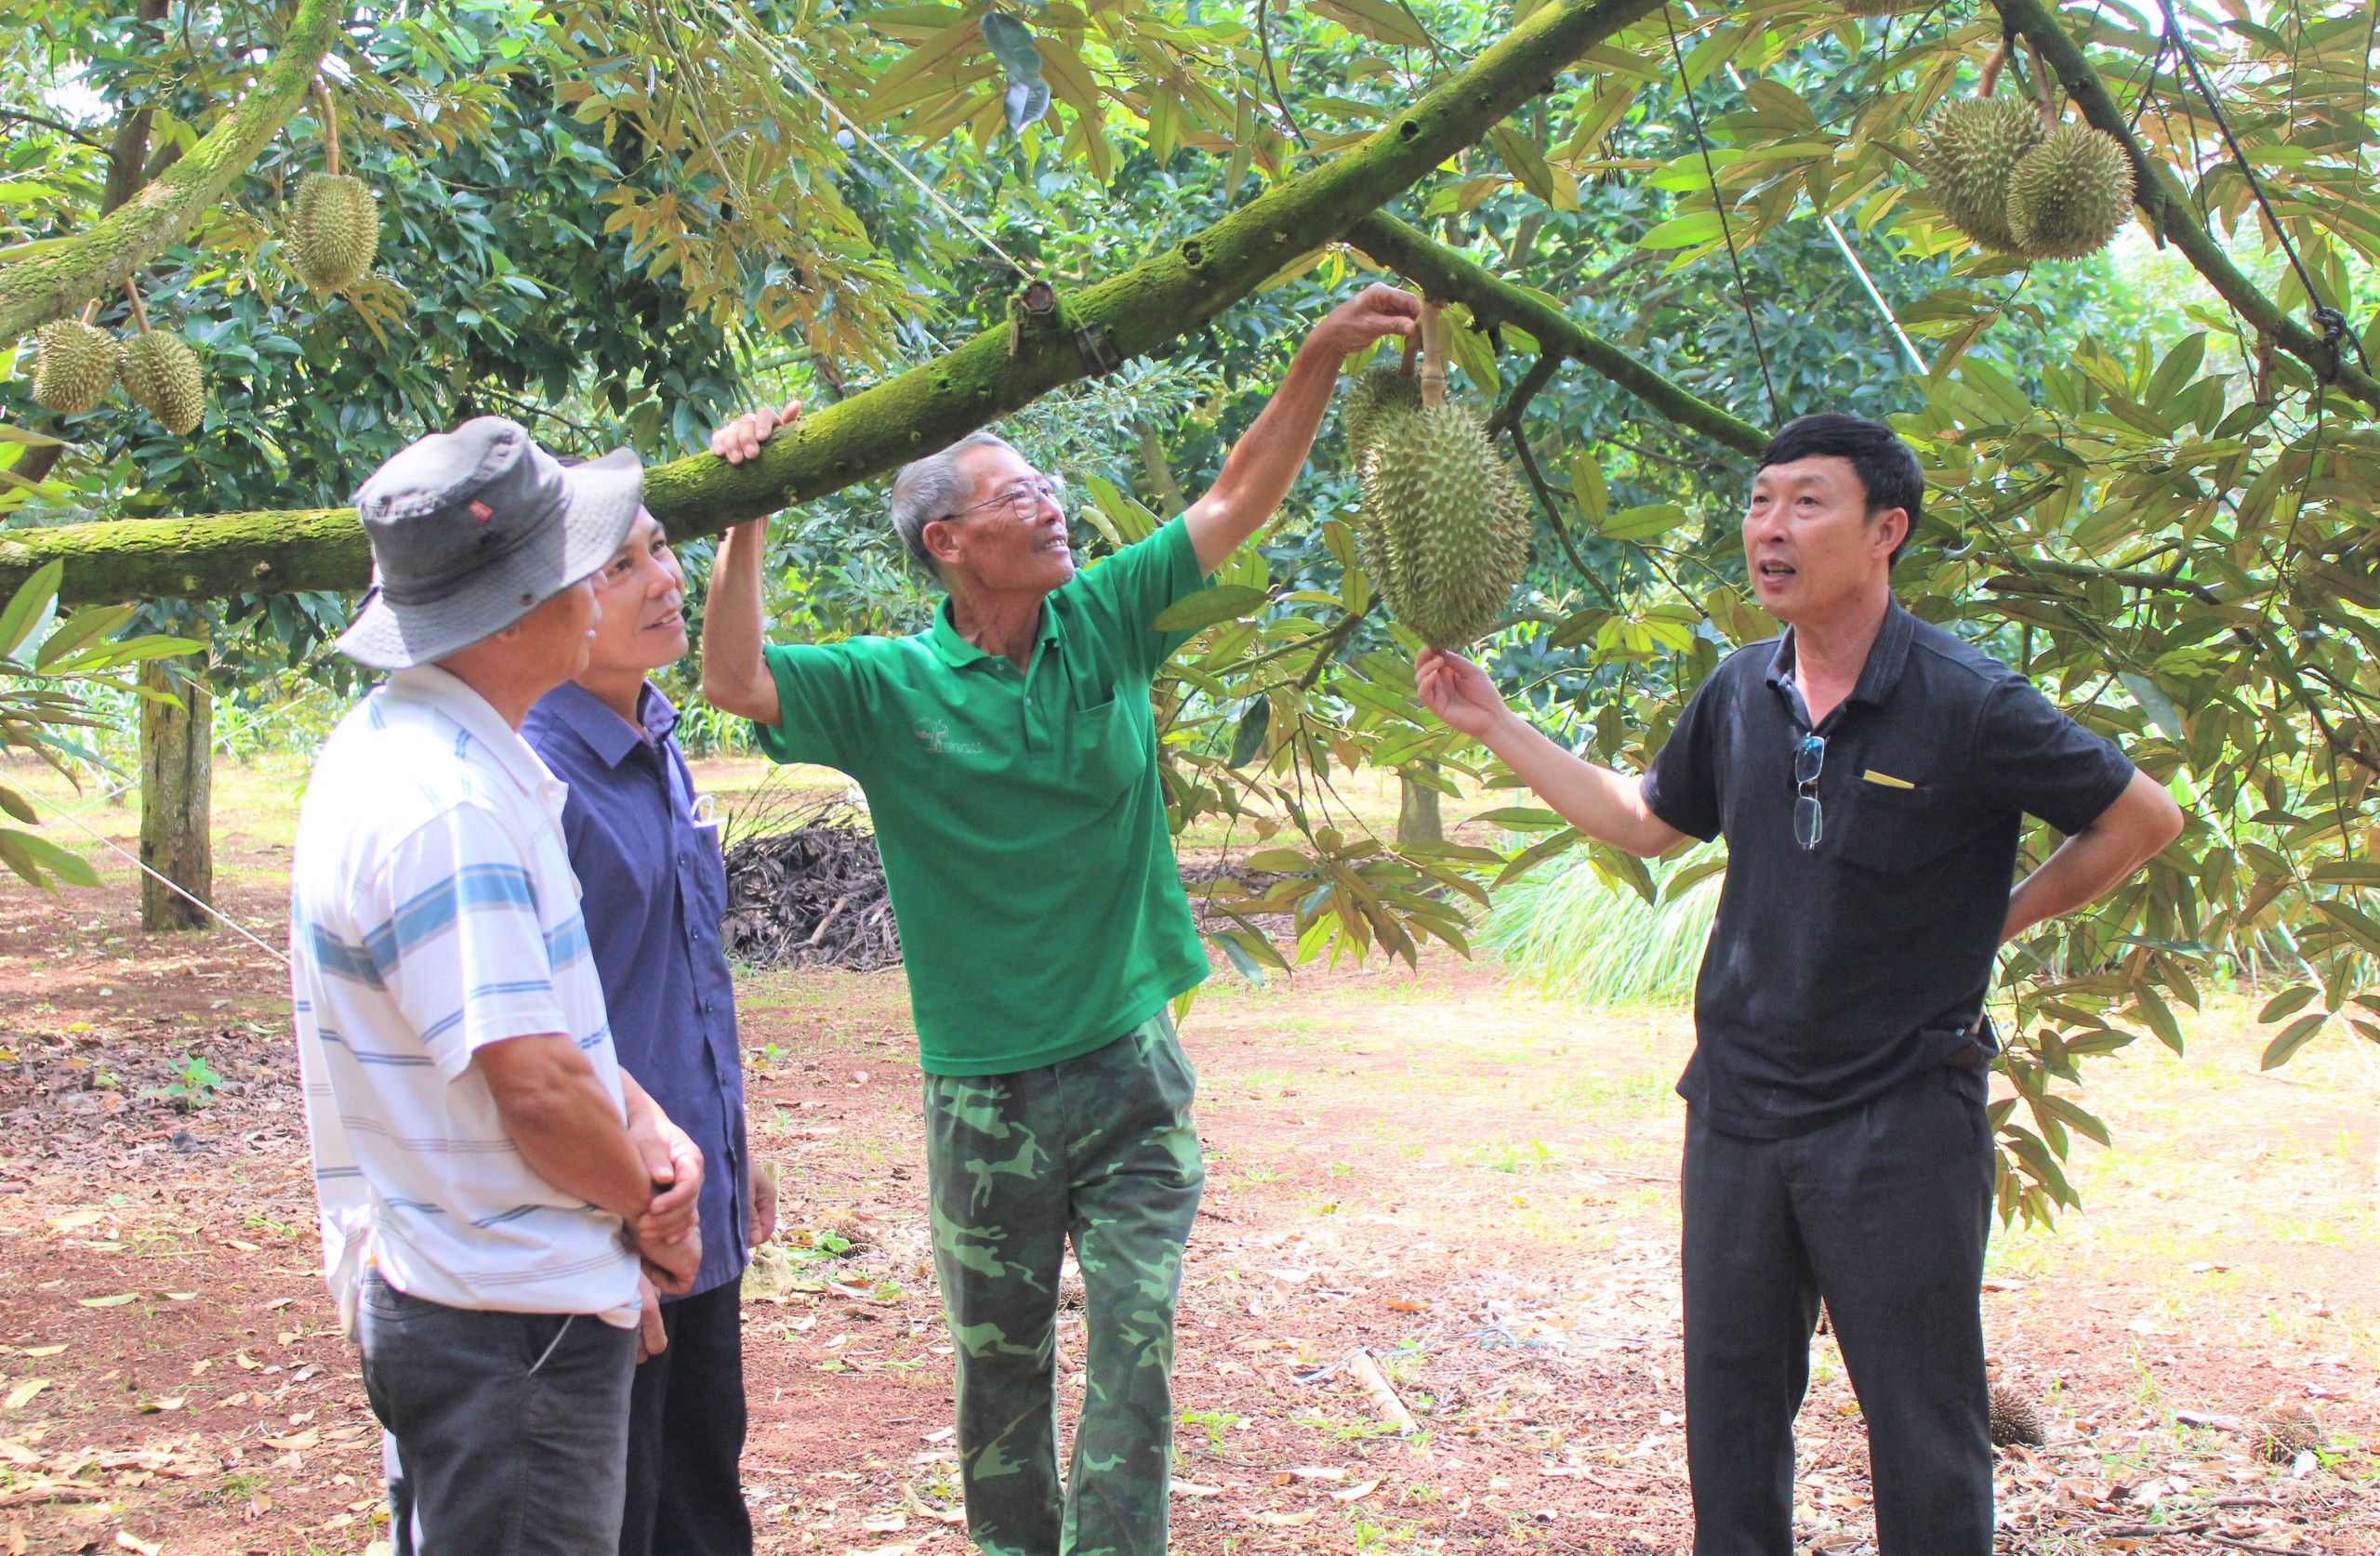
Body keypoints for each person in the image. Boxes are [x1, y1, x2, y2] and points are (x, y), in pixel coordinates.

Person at [701, 282, 1422, 1556]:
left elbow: (1236, 496)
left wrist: (1313, 354)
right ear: (948, 543)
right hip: (985, 1097)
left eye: (1047, 485)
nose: (1051, 506)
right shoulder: (889, 686)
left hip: (1130, 1069)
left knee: (1134, 1358)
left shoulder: (1105, 620)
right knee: (1001, 1381)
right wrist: (743, 519)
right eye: (1016, 494)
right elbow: (732, 676)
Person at [1412, 413, 2183, 1555]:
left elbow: (2140, 817)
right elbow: (1644, 821)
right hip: (1736, 1111)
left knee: (1922, 1428)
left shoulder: (1967, 700)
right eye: (1759, 501)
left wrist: (1999, 919)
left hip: (1899, 1113)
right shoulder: (1739, 690)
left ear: (1887, 531)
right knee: (1728, 1419)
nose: (1770, 528)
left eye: (1805, 502)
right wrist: (1497, 723)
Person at [288, 417, 706, 1556]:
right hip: (502, 1321)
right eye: (589, 563)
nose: (609, 584)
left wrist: (646, 1122)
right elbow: (531, 1091)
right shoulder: (449, 807)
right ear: (529, 603)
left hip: (480, 1290)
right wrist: (646, 1212)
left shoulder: (429, 749)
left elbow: (544, 1036)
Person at [522, 505, 772, 1556]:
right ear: (546, 609)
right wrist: (614, 1219)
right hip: (608, 1213)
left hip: (694, 1197)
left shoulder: (654, 735)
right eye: (618, 566)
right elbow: (533, 1043)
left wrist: (734, 1139)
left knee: (702, 1489)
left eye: (658, 548)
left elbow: (682, 968)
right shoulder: (535, 774)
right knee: (613, 1509)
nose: (658, 579)